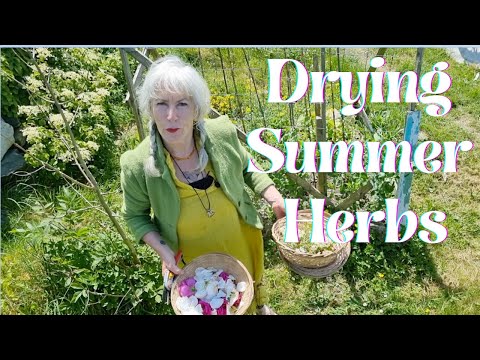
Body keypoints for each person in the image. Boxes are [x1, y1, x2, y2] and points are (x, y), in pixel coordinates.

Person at [120, 54, 285, 315]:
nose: (171, 116)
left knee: (246, 290)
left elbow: (246, 166)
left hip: (239, 238)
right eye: (161, 104)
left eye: (182, 104)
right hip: (192, 259)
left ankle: (259, 307)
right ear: (150, 109)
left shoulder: (221, 134)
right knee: (213, 301)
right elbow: (135, 216)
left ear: (196, 109)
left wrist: (272, 194)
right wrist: (164, 252)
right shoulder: (138, 164)